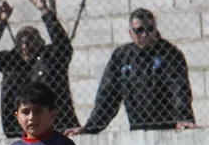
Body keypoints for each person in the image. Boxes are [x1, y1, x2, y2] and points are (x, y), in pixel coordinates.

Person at [67, 9, 195, 136]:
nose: (145, 34)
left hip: (170, 130)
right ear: (130, 33)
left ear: (155, 30)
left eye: (149, 29)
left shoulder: (169, 54)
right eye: (139, 30)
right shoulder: (122, 57)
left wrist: (184, 118)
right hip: (137, 132)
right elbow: (108, 96)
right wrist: (89, 128)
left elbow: (179, 89)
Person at [0, 0, 80, 138]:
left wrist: (44, 11)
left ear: (40, 42)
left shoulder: (51, 58)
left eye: (30, 41)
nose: (25, 47)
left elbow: (63, 46)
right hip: (19, 133)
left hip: (59, 129)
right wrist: (0, 21)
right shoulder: (12, 62)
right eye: (21, 43)